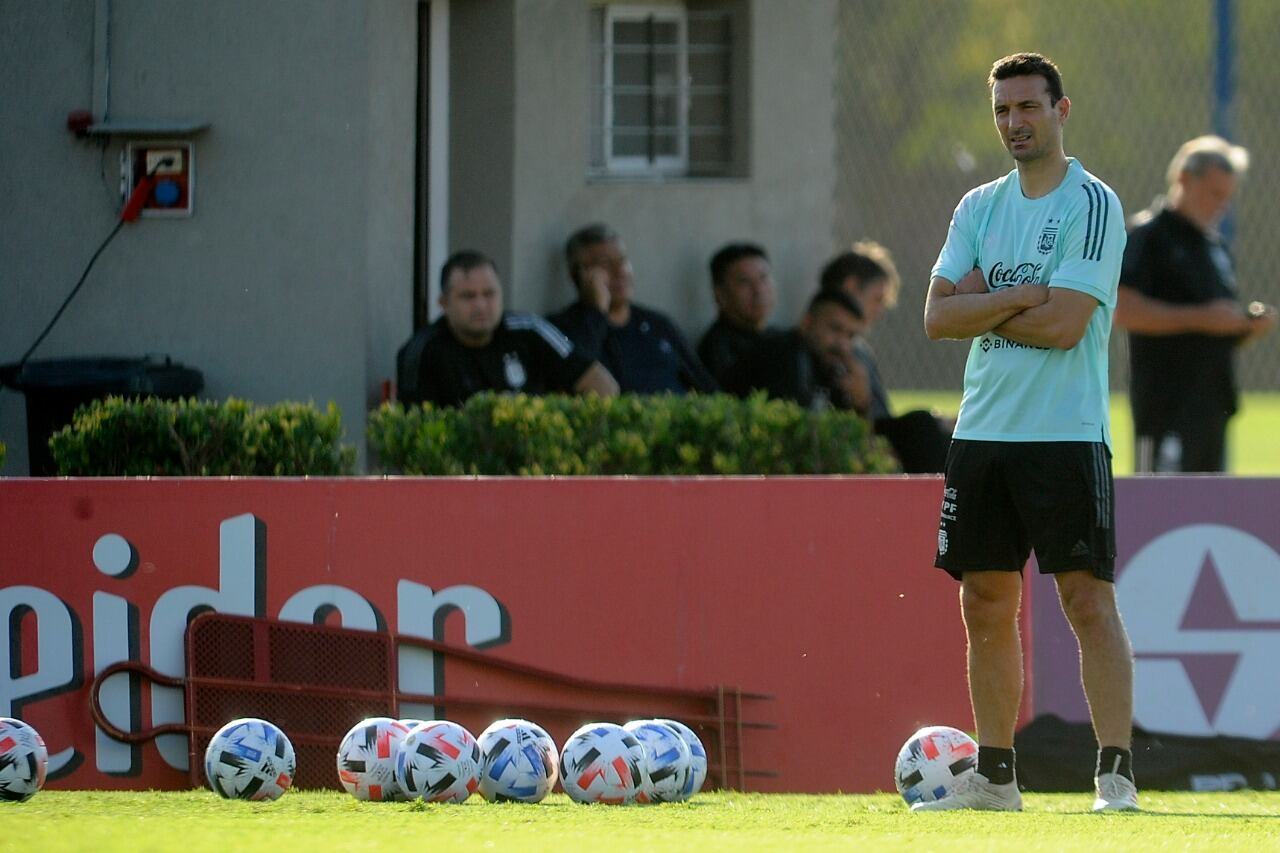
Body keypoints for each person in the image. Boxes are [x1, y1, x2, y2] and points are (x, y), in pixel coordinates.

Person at [918, 53, 1136, 812]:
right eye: (1003, 110)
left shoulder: (1092, 203)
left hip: (1064, 434)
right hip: (982, 433)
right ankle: (996, 778)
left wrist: (986, 301)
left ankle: (1115, 775)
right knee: (984, 600)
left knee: (1086, 600)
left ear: (1060, 110)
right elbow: (935, 317)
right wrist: (1028, 295)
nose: (1015, 122)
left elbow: (1067, 325)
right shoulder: (978, 206)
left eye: (1028, 107)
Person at [1115, 135, 1277, 472]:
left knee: (1209, 501)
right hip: (1165, 407)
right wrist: (1201, 318)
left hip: (1213, 408)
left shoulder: (1214, 245)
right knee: (1163, 501)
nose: (1222, 206)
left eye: (1227, 197)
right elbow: (1121, 309)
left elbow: (1213, 328)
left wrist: (1244, 327)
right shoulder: (1149, 235)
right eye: (1215, 193)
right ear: (1184, 178)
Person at [397, 250, 618, 406]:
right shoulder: (422, 351)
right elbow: (418, 432)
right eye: (468, 296)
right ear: (444, 303)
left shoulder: (530, 329)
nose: (481, 305)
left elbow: (601, 385)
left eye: (489, 294)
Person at [820, 242, 950, 473]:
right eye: (877, 299)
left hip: (877, 435)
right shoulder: (830, 349)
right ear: (851, 287)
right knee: (921, 427)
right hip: (860, 444)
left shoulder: (861, 351)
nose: (880, 312)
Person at [549, 224, 717, 394]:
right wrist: (596, 313)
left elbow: (707, 386)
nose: (619, 271)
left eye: (622, 260)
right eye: (605, 264)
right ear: (577, 275)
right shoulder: (562, 330)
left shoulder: (657, 324)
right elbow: (581, 376)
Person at [721, 289, 866, 411]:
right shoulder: (782, 355)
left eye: (850, 336)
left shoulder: (829, 367)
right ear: (807, 323)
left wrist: (861, 403)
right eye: (835, 329)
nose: (843, 345)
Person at [697, 242, 781, 383]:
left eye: (763, 278)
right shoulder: (716, 350)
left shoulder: (778, 337)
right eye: (745, 282)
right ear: (720, 294)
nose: (758, 290)